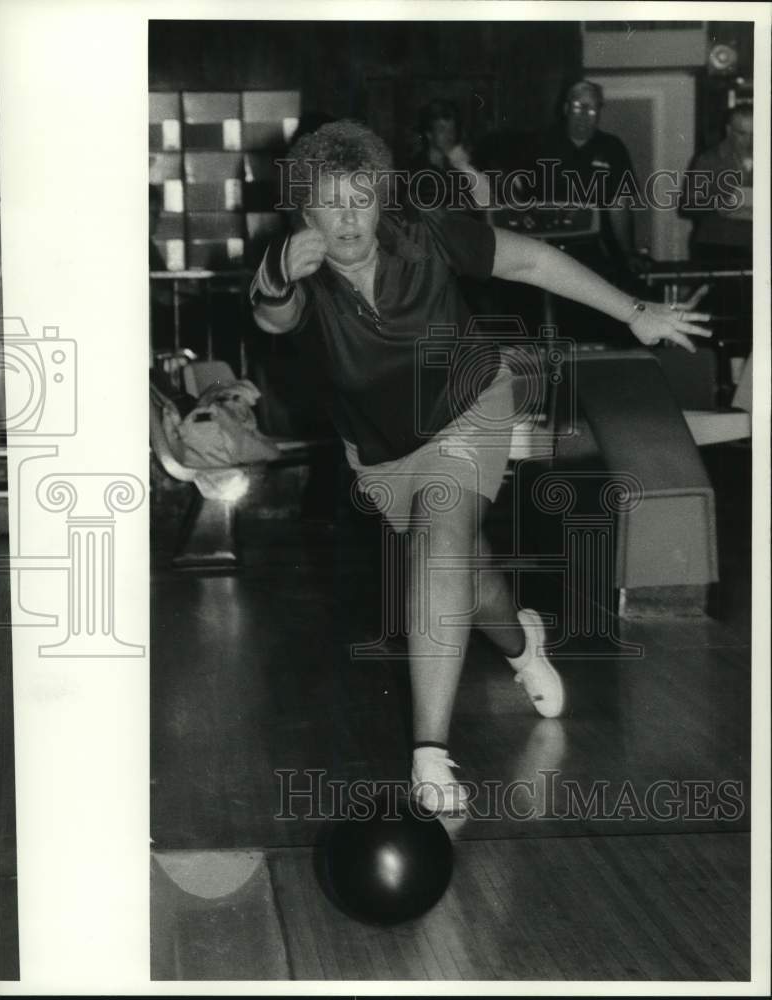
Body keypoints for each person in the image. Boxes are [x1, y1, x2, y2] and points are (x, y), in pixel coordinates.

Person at [250, 120, 711, 814]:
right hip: (380, 450)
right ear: (304, 209)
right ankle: (521, 641)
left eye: (362, 197)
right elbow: (272, 319)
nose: (347, 216)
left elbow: (528, 261)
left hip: (468, 401)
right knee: (464, 567)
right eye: (329, 200)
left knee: (439, 541)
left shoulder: (425, 233)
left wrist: (634, 311)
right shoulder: (295, 270)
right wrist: (276, 269)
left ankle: (429, 757)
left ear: (381, 199)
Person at [533, 79, 646, 282]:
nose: (584, 115)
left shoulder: (612, 148)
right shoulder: (541, 145)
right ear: (566, 108)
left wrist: (628, 253)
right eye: (578, 107)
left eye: (592, 109)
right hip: (550, 254)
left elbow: (619, 206)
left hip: (599, 253)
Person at [680, 104, 753, 264]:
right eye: (742, 134)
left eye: (755, 134)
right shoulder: (708, 160)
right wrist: (717, 204)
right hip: (717, 245)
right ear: (729, 131)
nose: (750, 141)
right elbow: (687, 206)